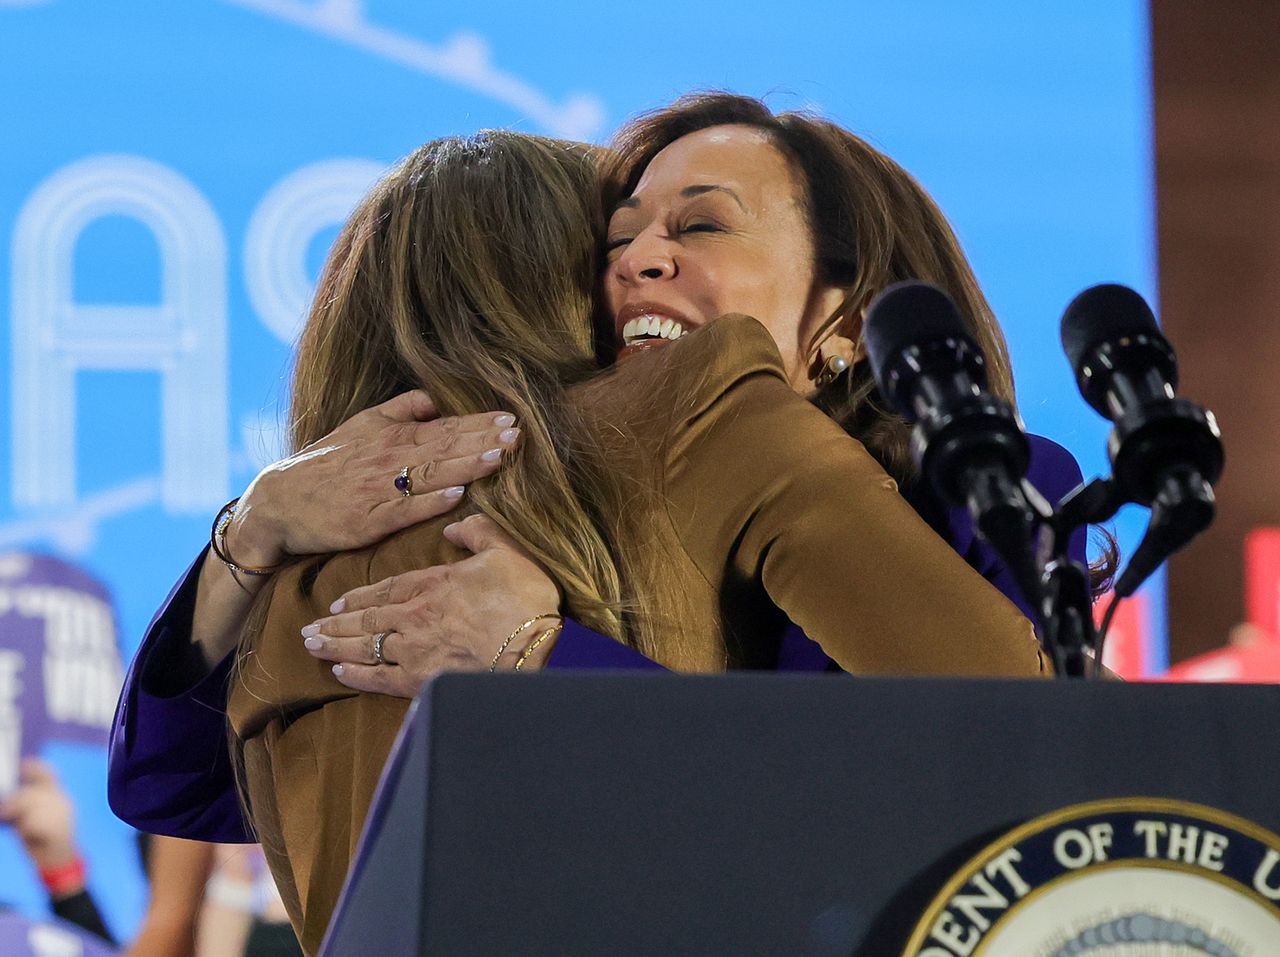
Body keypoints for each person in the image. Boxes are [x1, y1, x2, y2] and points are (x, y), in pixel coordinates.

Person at [111, 97, 1084, 948]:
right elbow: (174, 788)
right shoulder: (416, 523)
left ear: (846, 308)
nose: (641, 266)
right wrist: (248, 532)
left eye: (698, 228)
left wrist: (546, 661)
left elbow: (995, 777)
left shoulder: (988, 492)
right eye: (613, 246)